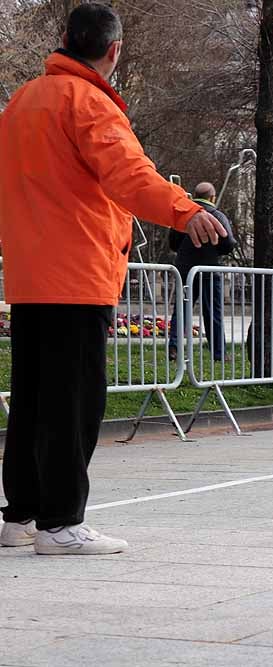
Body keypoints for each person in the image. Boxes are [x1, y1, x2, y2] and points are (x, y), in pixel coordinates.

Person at [0, 4, 227, 555]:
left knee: (31, 399)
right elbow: (128, 175)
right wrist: (185, 209)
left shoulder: (23, 102)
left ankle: (21, 516)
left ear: (63, 40)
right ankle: (62, 524)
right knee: (73, 402)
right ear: (114, 50)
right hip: (77, 275)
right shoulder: (90, 103)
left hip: (29, 277)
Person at [168, 182, 236, 362]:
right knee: (213, 313)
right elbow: (228, 243)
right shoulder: (217, 216)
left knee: (181, 310)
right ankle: (219, 353)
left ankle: (174, 348)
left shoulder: (185, 214)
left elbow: (173, 243)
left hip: (184, 269)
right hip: (209, 270)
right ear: (212, 197)